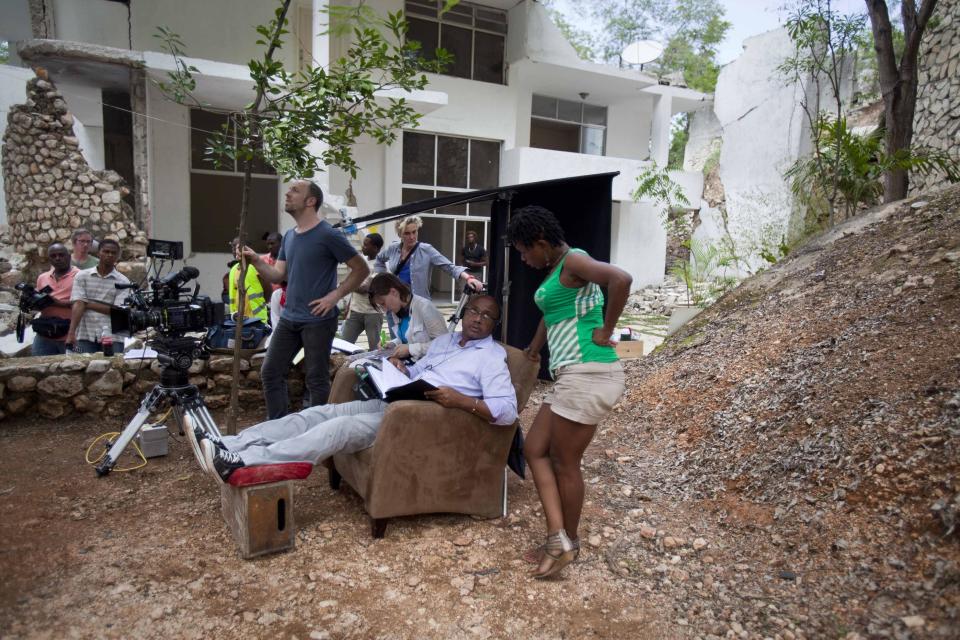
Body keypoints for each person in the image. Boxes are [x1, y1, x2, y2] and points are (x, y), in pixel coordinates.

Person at [190, 295, 516, 484]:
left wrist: (460, 400)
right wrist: (403, 369)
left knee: (338, 428)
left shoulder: (491, 357)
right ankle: (228, 443)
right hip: (397, 401)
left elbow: (507, 413)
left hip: (421, 420)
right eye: (474, 310)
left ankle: (242, 461)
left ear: (495, 324)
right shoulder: (446, 340)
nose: (477, 319)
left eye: (487, 316)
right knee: (318, 413)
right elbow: (423, 371)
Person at [507, 205, 632, 580]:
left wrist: (606, 330)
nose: (525, 259)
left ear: (541, 243)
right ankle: (558, 538)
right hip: (572, 376)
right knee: (534, 449)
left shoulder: (575, 260)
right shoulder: (559, 272)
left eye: (525, 252)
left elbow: (621, 279)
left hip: (590, 372)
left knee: (564, 462)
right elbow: (552, 312)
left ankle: (566, 543)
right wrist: (532, 349)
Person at [242, 180, 369, 418]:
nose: (288, 193)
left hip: (318, 320)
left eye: (295, 191)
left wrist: (335, 296)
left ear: (311, 201)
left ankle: (317, 433)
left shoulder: (328, 235)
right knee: (270, 372)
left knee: (316, 379)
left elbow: (361, 269)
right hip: (290, 317)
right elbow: (278, 274)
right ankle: (279, 426)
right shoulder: (289, 236)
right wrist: (256, 261)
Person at [375, 215, 482, 300]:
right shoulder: (393, 248)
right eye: (407, 233)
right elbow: (379, 259)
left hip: (419, 304)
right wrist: (383, 278)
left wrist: (468, 278)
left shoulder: (426, 250)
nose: (412, 237)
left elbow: (449, 267)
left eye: (414, 232)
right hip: (396, 302)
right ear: (399, 234)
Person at [66, 238, 130, 354]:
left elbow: (118, 311)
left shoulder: (123, 281)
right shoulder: (82, 276)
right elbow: (77, 305)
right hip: (85, 333)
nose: (109, 255)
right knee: (83, 368)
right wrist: (71, 333)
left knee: (113, 369)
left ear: (118, 256)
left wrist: (86, 303)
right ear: (98, 253)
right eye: (106, 251)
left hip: (113, 336)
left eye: (113, 253)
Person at [368, 272, 447, 361]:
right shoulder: (397, 311)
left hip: (431, 366)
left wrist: (410, 349)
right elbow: (407, 339)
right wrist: (393, 344)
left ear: (394, 292)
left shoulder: (425, 307)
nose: (384, 310)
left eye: (383, 303)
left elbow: (444, 344)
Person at [31, 243, 79, 356]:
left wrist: (56, 302)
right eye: (53, 256)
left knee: (72, 369)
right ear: (49, 259)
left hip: (69, 333)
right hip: (45, 332)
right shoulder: (42, 278)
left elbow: (84, 304)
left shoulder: (80, 276)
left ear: (69, 256)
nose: (57, 258)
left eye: (61, 255)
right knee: (38, 366)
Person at [340, 233, 385, 350]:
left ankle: (375, 367)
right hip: (355, 311)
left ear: (375, 248)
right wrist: (349, 306)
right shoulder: (361, 261)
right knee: (344, 345)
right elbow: (355, 286)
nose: (362, 247)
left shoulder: (381, 266)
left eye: (366, 245)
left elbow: (366, 289)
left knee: (374, 349)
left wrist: (345, 285)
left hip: (373, 314)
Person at [227, 238, 271, 324]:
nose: (234, 250)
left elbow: (268, 289)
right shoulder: (233, 269)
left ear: (247, 249)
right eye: (233, 247)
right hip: (238, 320)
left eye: (238, 248)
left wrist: (260, 303)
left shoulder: (255, 266)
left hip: (256, 319)